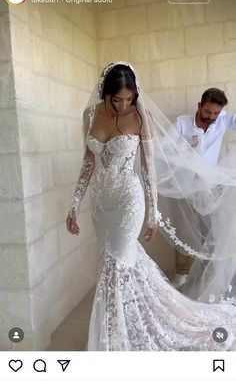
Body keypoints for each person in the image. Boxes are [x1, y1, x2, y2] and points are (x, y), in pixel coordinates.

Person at [66, 62, 236, 351]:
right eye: (116, 99)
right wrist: (74, 204)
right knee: (117, 263)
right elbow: (88, 162)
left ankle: (113, 336)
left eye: (128, 99)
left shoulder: (140, 115)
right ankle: (119, 322)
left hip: (127, 202)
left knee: (114, 265)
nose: (122, 106)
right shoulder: (91, 114)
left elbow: (147, 169)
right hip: (100, 203)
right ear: (104, 94)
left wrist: (153, 212)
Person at [172, 88, 236, 289]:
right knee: (184, 232)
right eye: (208, 112)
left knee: (212, 231)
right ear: (199, 106)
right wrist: (184, 150)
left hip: (208, 187)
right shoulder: (181, 123)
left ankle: (210, 274)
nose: (212, 117)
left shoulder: (222, 120)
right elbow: (164, 147)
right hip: (183, 187)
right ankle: (181, 274)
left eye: (216, 113)